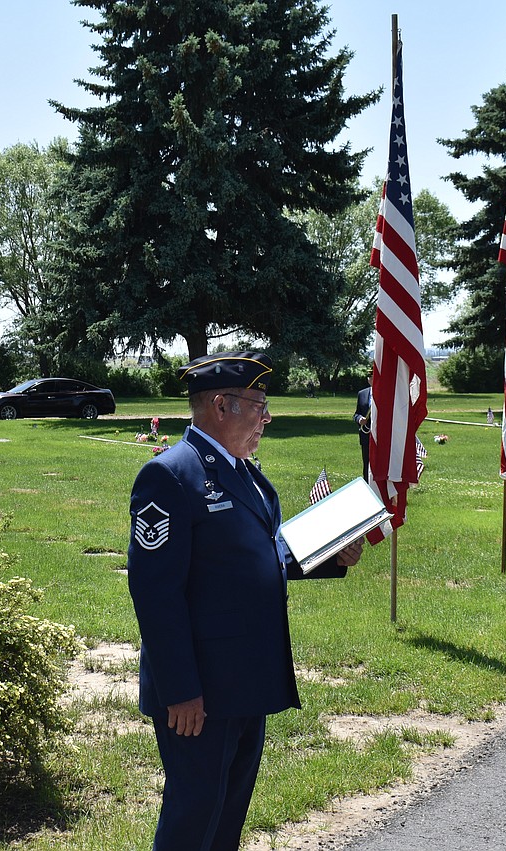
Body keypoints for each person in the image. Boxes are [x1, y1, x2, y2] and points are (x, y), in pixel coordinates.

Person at [127, 351, 363, 851]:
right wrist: (180, 689)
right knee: (193, 816)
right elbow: (155, 593)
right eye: (259, 405)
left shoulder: (250, 477)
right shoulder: (170, 475)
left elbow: (267, 555)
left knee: (228, 816)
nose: (267, 418)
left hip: (245, 680)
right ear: (220, 405)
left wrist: (331, 558)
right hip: (199, 692)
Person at [353, 377, 372, 480]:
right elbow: (356, 414)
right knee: (367, 464)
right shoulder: (362, 394)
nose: (372, 379)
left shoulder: (385, 393)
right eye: (370, 378)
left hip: (381, 436)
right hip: (366, 435)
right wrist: (359, 419)